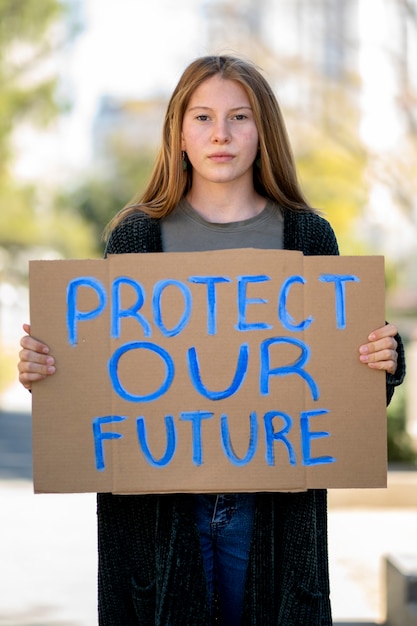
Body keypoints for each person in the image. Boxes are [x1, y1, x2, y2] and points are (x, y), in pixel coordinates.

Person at [18, 55, 405, 626]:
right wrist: (47, 370)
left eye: (239, 117)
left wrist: (385, 364)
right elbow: (106, 375)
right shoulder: (136, 237)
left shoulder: (306, 236)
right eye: (202, 117)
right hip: (159, 517)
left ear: (263, 130)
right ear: (178, 131)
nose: (220, 134)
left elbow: (343, 387)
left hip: (272, 513)